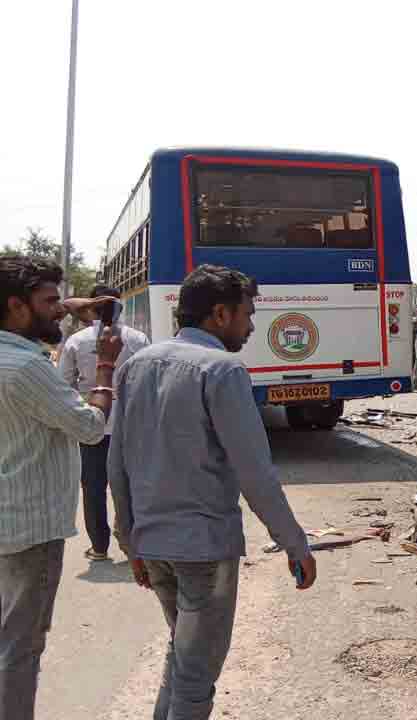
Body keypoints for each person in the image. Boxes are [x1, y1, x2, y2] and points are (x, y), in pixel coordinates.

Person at [109, 265, 316, 720]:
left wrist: (130, 541)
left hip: (154, 545)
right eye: (247, 313)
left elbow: (116, 464)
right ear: (220, 314)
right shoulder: (223, 370)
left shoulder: (136, 366)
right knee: (195, 674)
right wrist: (295, 544)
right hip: (202, 551)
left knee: (183, 657)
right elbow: (255, 473)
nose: (251, 325)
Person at [0, 256, 121, 720]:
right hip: (30, 529)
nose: (60, 310)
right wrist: (104, 368)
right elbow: (89, 428)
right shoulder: (26, 368)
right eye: (50, 301)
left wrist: (67, 306)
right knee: (21, 647)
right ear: (16, 306)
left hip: (10, 518)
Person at [57, 283, 149, 562]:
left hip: (93, 423)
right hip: (129, 425)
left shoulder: (76, 341)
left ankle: (99, 547)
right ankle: (133, 545)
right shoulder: (138, 339)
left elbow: (64, 384)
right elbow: (147, 383)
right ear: (120, 305)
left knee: (93, 488)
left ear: (92, 307)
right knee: (131, 486)